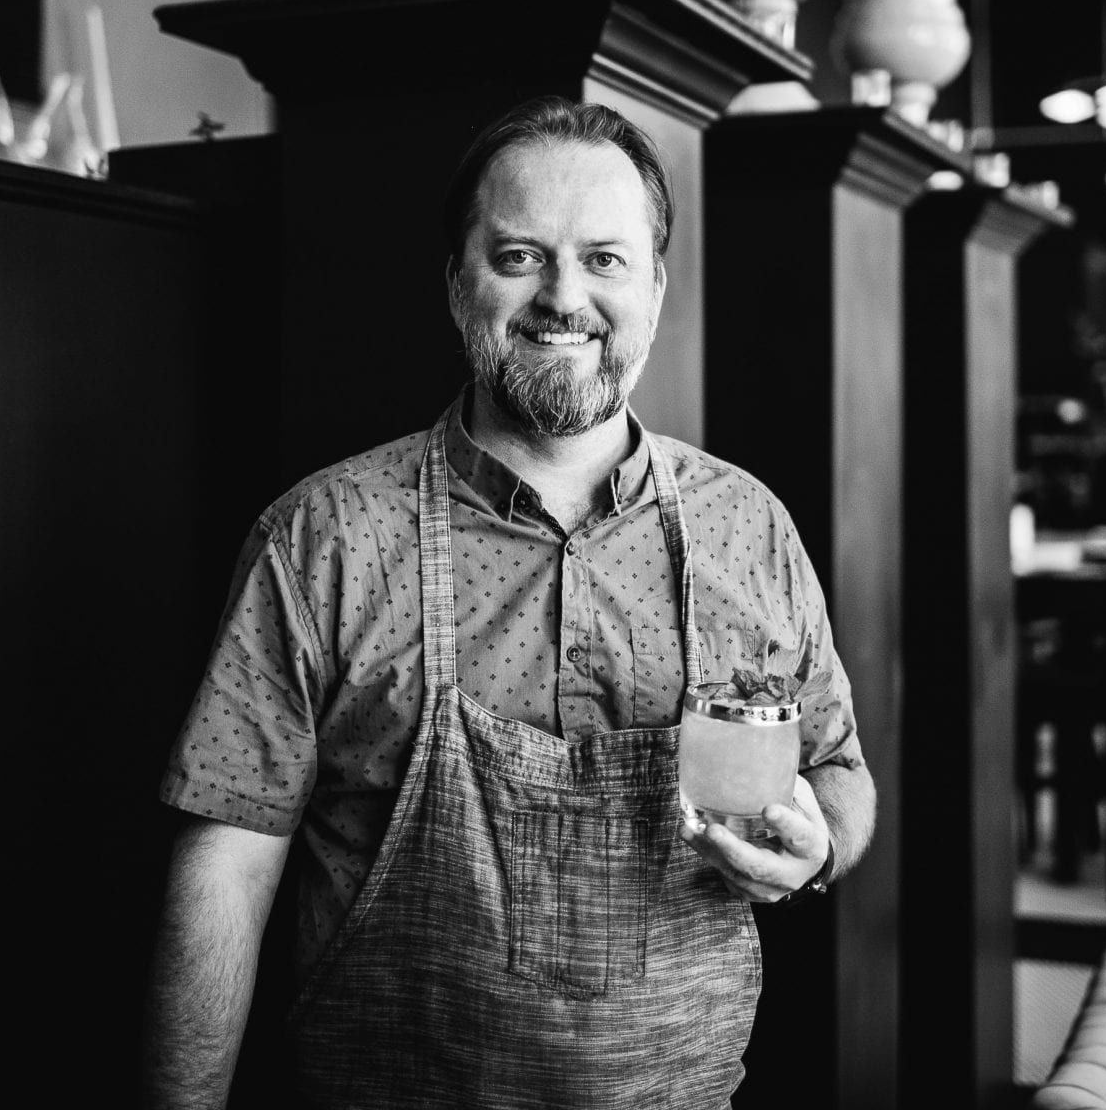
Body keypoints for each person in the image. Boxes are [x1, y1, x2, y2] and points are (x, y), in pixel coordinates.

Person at [141, 97, 877, 1108]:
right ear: (458, 286)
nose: (564, 297)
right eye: (520, 256)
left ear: (655, 287)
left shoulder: (747, 525)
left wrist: (818, 848)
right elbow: (226, 862)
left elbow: (838, 767)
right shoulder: (324, 535)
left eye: (605, 259)